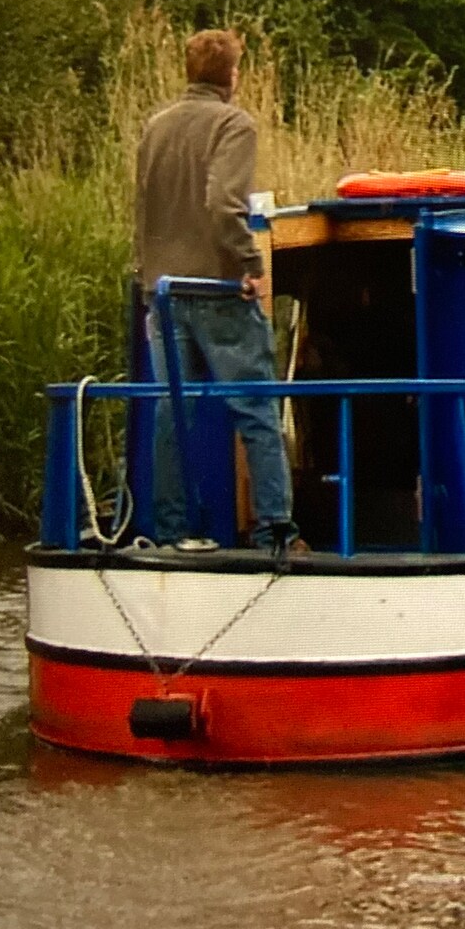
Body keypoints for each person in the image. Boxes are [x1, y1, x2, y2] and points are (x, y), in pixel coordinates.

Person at [134, 28, 299, 553]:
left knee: (170, 409)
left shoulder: (154, 127)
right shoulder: (234, 123)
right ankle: (276, 528)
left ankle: (172, 531)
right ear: (231, 75)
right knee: (256, 408)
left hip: (162, 291)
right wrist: (250, 265)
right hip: (216, 289)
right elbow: (225, 203)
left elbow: (145, 207)